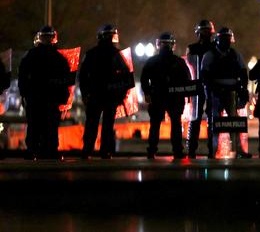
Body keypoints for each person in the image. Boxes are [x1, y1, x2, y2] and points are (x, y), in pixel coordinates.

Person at [79, 24, 134, 159]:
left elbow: (82, 76)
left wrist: (85, 93)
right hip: (111, 96)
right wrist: (121, 95)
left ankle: (87, 150)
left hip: (94, 95)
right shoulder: (117, 55)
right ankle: (105, 151)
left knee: (91, 123)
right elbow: (127, 76)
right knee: (108, 125)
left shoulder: (91, 54)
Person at [18, 26, 71, 160]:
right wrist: (64, 96)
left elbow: (22, 76)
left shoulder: (31, 55)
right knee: (50, 126)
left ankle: (33, 150)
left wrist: (24, 94)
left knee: (35, 125)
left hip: (36, 97)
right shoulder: (60, 58)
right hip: (50, 98)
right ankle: (49, 150)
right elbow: (66, 80)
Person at [201, 27, 252, 159]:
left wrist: (243, 89)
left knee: (234, 122)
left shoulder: (235, 54)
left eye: (228, 39)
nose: (227, 42)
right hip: (215, 93)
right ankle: (212, 150)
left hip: (231, 92)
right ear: (218, 40)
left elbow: (243, 72)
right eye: (224, 39)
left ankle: (238, 149)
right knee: (214, 123)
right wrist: (210, 91)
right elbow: (204, 76)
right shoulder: (210, 55)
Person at [141, 32, 191, 160]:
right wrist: (186, 94)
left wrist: (147, 93)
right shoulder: (179, 62)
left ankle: (151, 151)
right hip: (175, 98)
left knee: (155, 125)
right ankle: (177, 151)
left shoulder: (152, 61)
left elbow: (144, 79)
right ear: (172, 45)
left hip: (157, 96)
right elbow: (187, 80)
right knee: (175, 125)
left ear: (158, 45)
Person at [185, 19, 215, 158]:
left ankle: (212, 148)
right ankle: (192, 149)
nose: (205, 33)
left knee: (211, 118)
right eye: (203, 31)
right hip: (197, 85)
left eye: (206, 31)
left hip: (210, 85)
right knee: (195, 118)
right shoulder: (193, 48)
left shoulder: (215, 47)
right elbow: (189, 65)